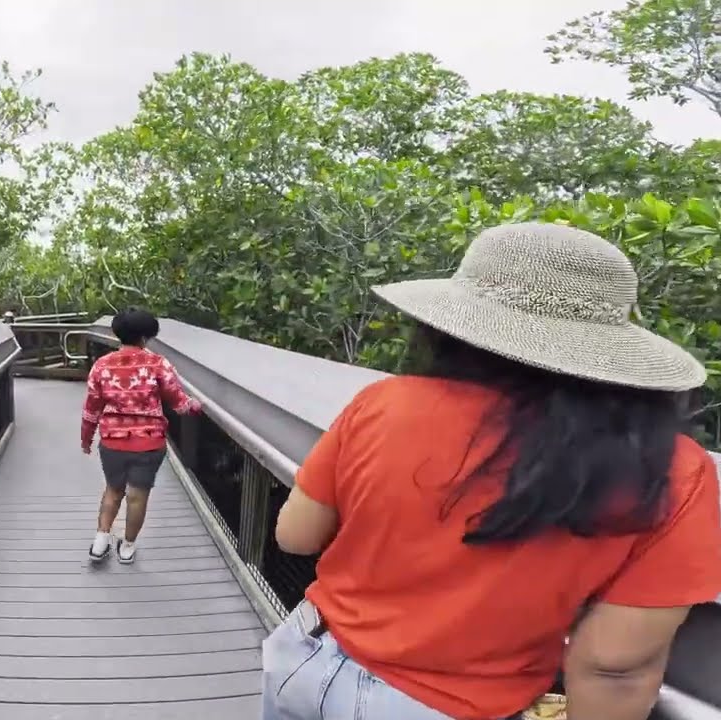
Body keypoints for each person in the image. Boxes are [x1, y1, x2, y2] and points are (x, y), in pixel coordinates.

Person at [263, 222, 721, 720]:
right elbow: (615, 666)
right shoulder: (673, 471)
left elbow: (295, 535)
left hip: (305, 660)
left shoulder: (384, 403)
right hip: (449, 706)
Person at [81, 308, 201, 564]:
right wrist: (195, 405)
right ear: (146, 337)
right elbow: (179, 403)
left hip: (112, 442)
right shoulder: (158, 364)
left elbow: (92, 407)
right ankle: (127, 546)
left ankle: (100, 541)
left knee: (113, 491)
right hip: (148, 443)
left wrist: (86, 438)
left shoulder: (101, 366)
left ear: (117, 334)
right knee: (138, 496)